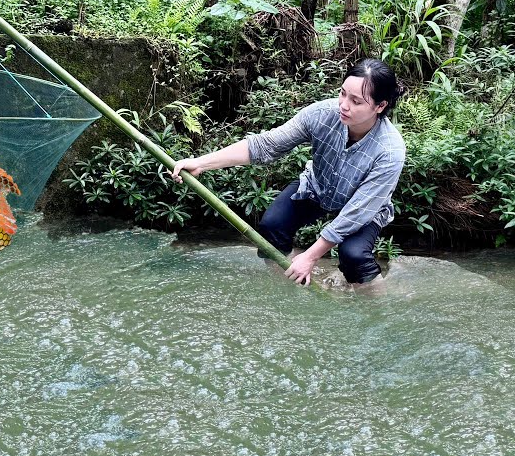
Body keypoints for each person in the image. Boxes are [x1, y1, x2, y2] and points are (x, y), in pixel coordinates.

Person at [170, 59, 406, 286]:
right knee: (272, 226)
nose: (344, 105)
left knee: (353, 255)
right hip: (318, 188)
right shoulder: (322, 114)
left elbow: (357, 212)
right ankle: (292, 284)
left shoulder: (390, 150)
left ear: (380, 106)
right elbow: (266, 145)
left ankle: (376, 302)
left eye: (356, 101)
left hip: (364, 208)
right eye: (343, 93)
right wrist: (201, 163)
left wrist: (311, 256)